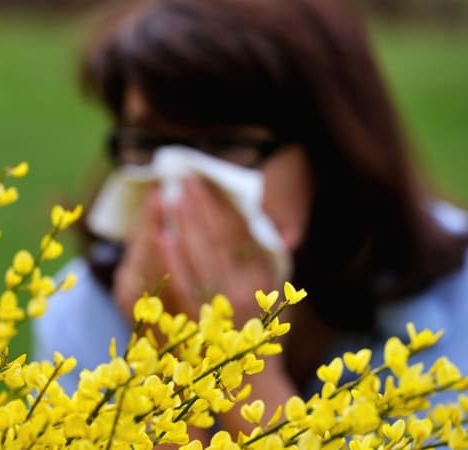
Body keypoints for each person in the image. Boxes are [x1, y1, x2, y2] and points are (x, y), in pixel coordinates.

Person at [34, 0, 468, 438]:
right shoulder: (86, 311)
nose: (182, 183)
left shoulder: (457, 302)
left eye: (227, 144)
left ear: (329, 151)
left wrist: (240, 361)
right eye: (149, 142)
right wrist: (160, 364)